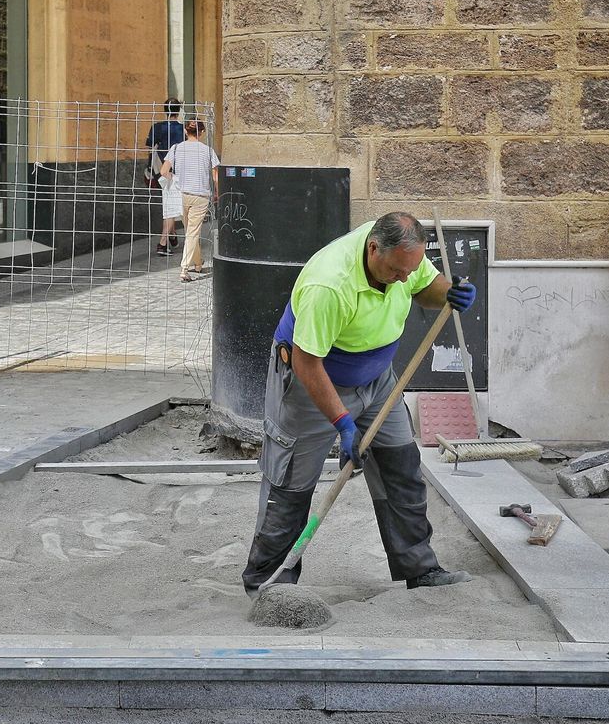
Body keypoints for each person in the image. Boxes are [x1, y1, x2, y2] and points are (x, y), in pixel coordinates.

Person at [241, 211, 479, 593]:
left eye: (409, 270)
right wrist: (343, 423)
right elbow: (307, 362)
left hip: (377, 378)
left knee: (401, 466)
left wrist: (448, 293)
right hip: (311, 380)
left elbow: (423, 286)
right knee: (291, 481)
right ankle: (270, 581)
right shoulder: (330, 284)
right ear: (372, 249)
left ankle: (420, 568)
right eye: (396, 271)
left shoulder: (404, 256)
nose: (404, 277)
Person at [158, 116, 218, 283]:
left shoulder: (176, 148)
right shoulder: (208, 151)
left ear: (185, 131)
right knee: (193, 232)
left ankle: (197, 263)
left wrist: (174, 178)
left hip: (182, 195)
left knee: (190, 231)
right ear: (202, 132)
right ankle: (184, 269)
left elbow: (163, 171)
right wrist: (217, 194)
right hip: (200, 196)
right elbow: (215, 176)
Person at [145, 99, 186, 256]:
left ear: (165, 110)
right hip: (178, 172)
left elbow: (150, 148)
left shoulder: (157, 127)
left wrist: (150, 168)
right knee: (172, 206)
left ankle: (172, 235)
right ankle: (162, 243)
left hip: (161, 169)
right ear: (179, 110)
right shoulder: (183, 130)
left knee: (170, 203)